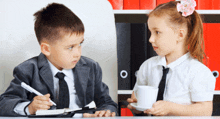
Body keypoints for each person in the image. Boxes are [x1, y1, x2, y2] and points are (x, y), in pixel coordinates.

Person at [0, 3, 117, 117]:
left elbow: (107, 103)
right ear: (46, 49)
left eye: (80, 44)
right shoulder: (27, 70)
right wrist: (29, 107)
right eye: (70, 47)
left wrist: (105, 111)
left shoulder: (91, 67)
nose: (78, 53)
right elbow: (4, 103)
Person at [127, 0, 215, 116]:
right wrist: (137, 106)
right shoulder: (147, 66)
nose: (151, 39)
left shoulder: (198, 71)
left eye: (157, 32)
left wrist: (171, 108)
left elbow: (205, 111)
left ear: (180, 35)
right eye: (150, 33)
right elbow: (137, 100)